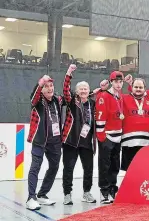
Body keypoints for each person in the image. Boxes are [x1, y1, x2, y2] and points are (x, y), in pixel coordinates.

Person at [61, 64, 97, 205]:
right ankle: (67, 194)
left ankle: (86, 192)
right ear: (76, 91)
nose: (83, 91)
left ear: (89, 91)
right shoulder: (72, 101)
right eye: (81, 89)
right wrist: (69, 73)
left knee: (88, 169)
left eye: (85, 89)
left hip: (87, 143)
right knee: (68, 169)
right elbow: (65, 90)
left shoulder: (93, 104)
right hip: (71, 141)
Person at [26, 75, 63, 210]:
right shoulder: (37, 101)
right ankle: (31, 198)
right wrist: (40, 82)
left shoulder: (57, 100)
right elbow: (34, 97)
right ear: (42, 89)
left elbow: (70, 97)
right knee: (35, 167)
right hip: (40, 141)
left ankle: (42, 194)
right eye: (46, 86)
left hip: (55, 141)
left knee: (54, 166)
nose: (50, 88)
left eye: (51, 86)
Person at [95, 71, 124, 204]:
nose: (118, 84)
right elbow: (100, 116)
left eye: (120, 82)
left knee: (115, 165)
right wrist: (101, 136)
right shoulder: (104, 96)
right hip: (106, 136)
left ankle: (113, 188)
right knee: (104, 165)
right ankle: (104, 191)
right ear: (111, 82)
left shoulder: (120, 96)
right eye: (116, 81)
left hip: (118, 136)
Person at [121, 78, 149, 171]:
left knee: (144, 169)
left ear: (145, 89)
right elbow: (111, 96)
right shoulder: (124, 98)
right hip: (129, 142)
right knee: (129, 170)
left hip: (146, 142)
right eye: (136, 87)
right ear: (131, 87)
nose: (138, 89)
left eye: (140, 87)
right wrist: (102, 89)